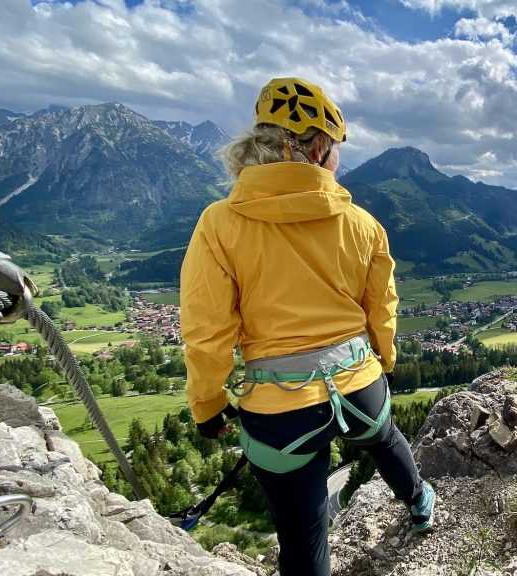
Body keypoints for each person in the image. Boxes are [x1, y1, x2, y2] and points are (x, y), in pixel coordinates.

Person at [180, 77, 434, 576]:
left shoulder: (220, 223)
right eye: (336, 147)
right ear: (318, 147)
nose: (338, 157)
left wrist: (208, 405)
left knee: (304, 536)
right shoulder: (362, 223)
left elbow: (206, 330)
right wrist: (385, 361)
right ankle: (419, 500)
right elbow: (381, 305)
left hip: (281, 411)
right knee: (384, 439)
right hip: (358, 382)